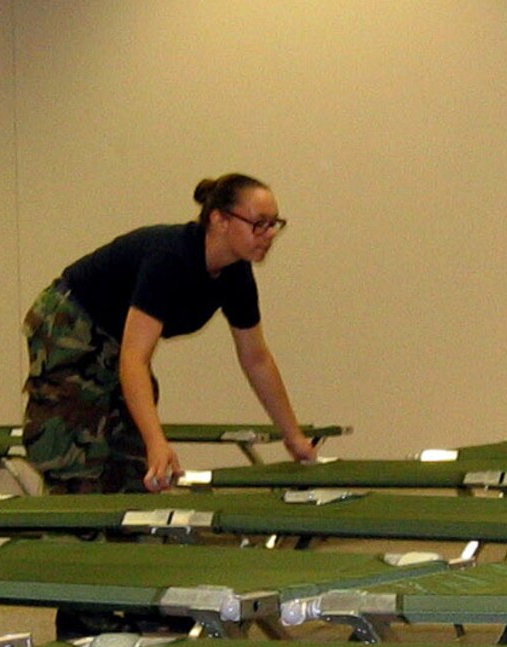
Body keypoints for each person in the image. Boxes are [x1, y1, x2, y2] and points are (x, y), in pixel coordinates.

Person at [23, 172, 318, 495]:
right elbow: (134, 360)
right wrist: (157, 442)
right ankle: (71, 530)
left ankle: (127, 534)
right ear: (220, 219)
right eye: (259, 223)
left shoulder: (236, 274)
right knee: (74, 442)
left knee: (128, 450)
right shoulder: (170, 258)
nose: (269, 234)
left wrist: (294, 437)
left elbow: (256, 358)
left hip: (115, 336)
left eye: (275, 224)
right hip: (69, 320)